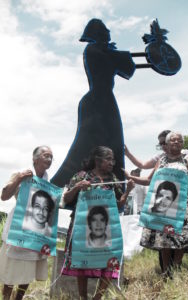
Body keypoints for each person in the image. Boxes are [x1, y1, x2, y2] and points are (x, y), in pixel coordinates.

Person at [51, 18, 136, 188]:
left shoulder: (102, 51)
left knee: (113, 143)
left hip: (104, 100)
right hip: (98, 100)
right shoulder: (93, 50)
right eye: (105, 32)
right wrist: (120, 54)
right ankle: (58, 185)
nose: (108, 35)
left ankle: (115, 186)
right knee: (84, 144)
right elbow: (123, 64)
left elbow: (125, 66)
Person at [125, 132, 188, 277]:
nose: (176, 142)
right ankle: (165, 270)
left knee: (180, 236)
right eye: (172, 140)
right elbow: (149, 181)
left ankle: (176, 268)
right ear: (166, 144)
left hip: (183, 205)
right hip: (162, 206)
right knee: (164, 238)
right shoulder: (161, 160)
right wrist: (132, 178)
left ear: (182, 143)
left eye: (179, 140)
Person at [62, 146, 134, 300]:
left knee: (110, 261)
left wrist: (128, 191)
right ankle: (83, 297)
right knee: (82, 260)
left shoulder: (113, 179)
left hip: (107, 228)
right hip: (82, 227)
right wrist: (77, 187)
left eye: (113, 159)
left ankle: (97, 297)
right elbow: (66, 199)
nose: (112, 162)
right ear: (98, 160)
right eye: (109, 159)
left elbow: (120, 204)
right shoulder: (82, 176)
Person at [0, 146, 53, 300]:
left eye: (51, 157)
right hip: (18, 229)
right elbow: (4, 196)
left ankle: (19, 298)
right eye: (46, 156)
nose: (49, 160)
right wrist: (19, 178)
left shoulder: (47, 183)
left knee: (29, 269)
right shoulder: (21, 174)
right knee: (12, 268)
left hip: (35, 232)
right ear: (35, 159)